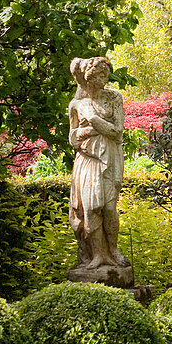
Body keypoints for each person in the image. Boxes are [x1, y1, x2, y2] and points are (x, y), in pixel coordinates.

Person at [68, 56, 131, 278]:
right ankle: (97, 255)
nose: (104, 79)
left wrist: (94, 121)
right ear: (87, 77)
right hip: (87, 160)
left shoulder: (114, 97)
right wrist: (91, 129)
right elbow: (73, 138)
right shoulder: (77, 104)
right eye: (99, 75)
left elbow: (117, 131)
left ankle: (112, 250)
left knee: (109, 208)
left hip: (110, 158)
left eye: (106, 74)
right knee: (90, 209)